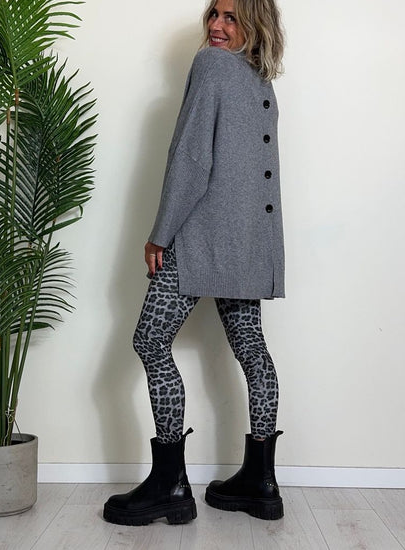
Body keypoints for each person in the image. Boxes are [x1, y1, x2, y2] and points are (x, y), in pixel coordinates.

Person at [103, 0, 286, 526]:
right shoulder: (262, 83)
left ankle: (170, 485)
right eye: (214, 15)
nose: (216, 26)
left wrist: (161, 233)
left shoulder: (211, 64)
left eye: (231, 17)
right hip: (250, 240)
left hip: (202, 236)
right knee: (252, 350)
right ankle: (261, 482)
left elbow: (191, 158)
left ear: (255, 23)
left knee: (149, 341)